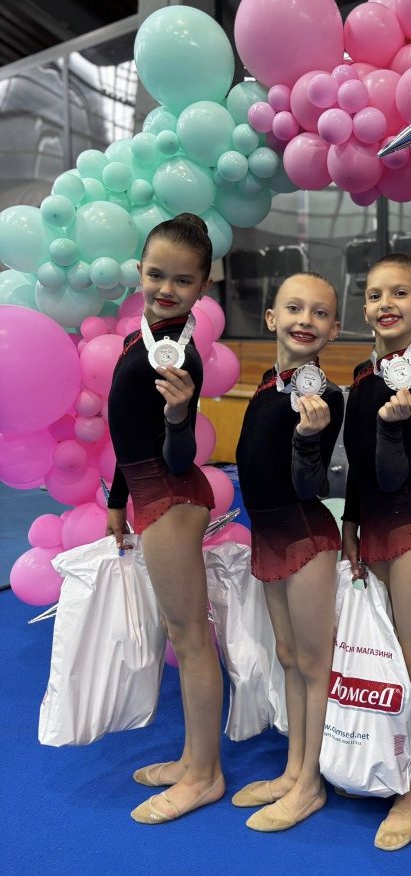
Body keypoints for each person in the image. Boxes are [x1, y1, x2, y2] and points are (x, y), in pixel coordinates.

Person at [106, 213, 222, 824]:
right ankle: (191, 758)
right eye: (156, 275)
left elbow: (179, 457)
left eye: (182, 280)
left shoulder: (183, 358)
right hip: (148, 494)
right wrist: (115, 499)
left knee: (191, 638)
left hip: (172, 497)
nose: (166, 289)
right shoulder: (146, 336)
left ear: (204, 286)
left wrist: (180, 416)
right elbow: (127, 429)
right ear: (140, 271)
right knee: (182, 634)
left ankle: (205, 775)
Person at [232, 272, 344, 833]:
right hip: (268, 533)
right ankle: (294, 767)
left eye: (319, 313)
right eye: (294, 308)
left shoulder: (325, 396)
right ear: (272, 318)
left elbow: (310, 485)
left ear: (334, 329)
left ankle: (310, 783)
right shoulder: (266, 384)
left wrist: (307, 439)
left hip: (306, 535)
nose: (306, 320)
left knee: (314, 663)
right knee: (289, 655)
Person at [342, 253, 411, 851]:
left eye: (400, 293)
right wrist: (350, 522)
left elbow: (392, 473)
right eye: (375, 294)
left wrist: (390, 426)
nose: (386, 303)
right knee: (382, 656)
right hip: (373, 528)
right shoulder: (363, 372)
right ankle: (384, 756)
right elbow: (359, 468)